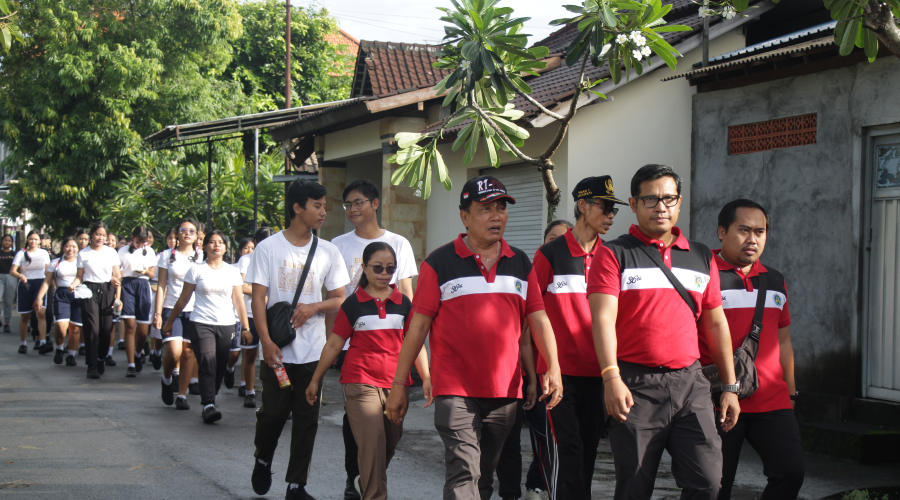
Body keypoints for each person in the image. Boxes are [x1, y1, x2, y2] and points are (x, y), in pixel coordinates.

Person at [385, 175, 564, 500]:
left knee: (482, 476)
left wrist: (552, 366)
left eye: (501, 208)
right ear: (464, 216)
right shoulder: (440, 263)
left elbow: (538, 318)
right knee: (464, 472)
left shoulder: (520, 262)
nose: (496, 216)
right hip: (455, 391)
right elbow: (417, 328)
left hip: (504, 392)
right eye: (485, 209)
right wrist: (400, 384)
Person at [587, 164, 740, 500]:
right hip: (635, 387)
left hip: (691, 386)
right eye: (651, 199)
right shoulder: (613, 254)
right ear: (634, 202)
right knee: (635, 486)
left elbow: (716, 323)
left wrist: (729, 386)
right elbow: (602, 320)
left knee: (708, 482)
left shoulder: (701, 256)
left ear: (680, 203)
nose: (661, 207)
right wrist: (611, 378)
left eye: (669, 199)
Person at [246, 179, 349, 500]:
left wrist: (314, 306)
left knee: (307, 419)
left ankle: (296, 485)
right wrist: (265, 341)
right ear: (297, 207)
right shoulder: (268, 248)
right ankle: (263, 458)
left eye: (324, 206)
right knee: (273, 414)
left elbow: (340, 298)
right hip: (277, 349)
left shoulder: (328, 251)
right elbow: (258, 299)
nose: (323, 212)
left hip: (313, 351)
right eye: (317, 206)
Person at [306, 242, 432, 500]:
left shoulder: (404, 303)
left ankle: (366, 479)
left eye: (390, 268)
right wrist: (315, 380)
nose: (384, 273)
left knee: (389, 442)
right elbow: (333, 343)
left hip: (397, 384)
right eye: (377, 267)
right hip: (359, 381)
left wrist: (427, 377)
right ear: (364, 267)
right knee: (373, 444)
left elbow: (415, 343)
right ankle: (374, 494)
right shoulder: (352, 305)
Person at [701, 199, 804, 499]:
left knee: (790, 472)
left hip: (772, 400)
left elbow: (783, 340)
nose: (753, 239)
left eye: (760, 231)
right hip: (716, 397)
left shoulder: (774, 280)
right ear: (722, 231)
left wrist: (792, 392)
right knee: (715, 485)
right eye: (743, 230)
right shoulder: (702, 275)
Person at [330, 179, 419, 499]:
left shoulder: (399, 243)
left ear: (375, 204)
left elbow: (407, 295)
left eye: (358, 203)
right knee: (359, 419)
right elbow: (336, 298)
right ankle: (356, 477)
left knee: (390, 426)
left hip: (392, 346)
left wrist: (414, 347)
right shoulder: (337, 245)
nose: (352, 210)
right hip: (354, 344)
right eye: (348, 205)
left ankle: (368, 475)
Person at [495, 220, 573, 500]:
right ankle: (526, 489)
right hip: (533, 372)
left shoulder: (579, 276)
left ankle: (536, 484)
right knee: (533, 438)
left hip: (570, 373)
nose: (556, 245)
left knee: (560, 440)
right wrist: (530, 375)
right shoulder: (531, 273)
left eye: (562, 240)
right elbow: (525, 334)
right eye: (551, 239)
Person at [163, 230, 250, 424]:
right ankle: (208, 404)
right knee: (207, 361)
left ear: (226, 247)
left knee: (220, 364)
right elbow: (184, 298)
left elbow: (239, 301)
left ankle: (211, 394)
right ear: (205, 246)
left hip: (226, 324)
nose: (216, 245)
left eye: (220, 242)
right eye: (212, 242)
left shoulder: (232, 271)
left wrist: (246, 328)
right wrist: (170, 321)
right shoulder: (196, 270)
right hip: (201, 322)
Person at [155, 219, 203, 410]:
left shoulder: (201, 256)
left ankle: (182, 395)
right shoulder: (167, 256)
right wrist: (158, 313)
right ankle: (167, 380)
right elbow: (161, 286)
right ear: (177, 233)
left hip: (195, 310)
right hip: (170, 308)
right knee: (174, 352)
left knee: (188, 353)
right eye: (183, 230)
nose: (187, 233)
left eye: (192, 230)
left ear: (196, 235)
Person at [70, 222, 122, 379]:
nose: (100, 238)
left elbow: (117, 277)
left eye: (104, 235)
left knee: (106, 331)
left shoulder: (112, 252)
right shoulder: (83, 253)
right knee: (92, 329)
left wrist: (117, 297)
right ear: (91, 235)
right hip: (88, 291)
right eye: (98, 234)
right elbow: (80, 276)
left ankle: (101, 358)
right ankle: (91, 365)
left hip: (107, 290)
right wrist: (74, 284)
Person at [233, 232, 268, 409]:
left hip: (272, 314)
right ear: (256, 242)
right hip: (251, 313)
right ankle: (249, 391)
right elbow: (243, 286)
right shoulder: (247, 260)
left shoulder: (275, 256)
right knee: (250, 354)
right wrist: (261, 295)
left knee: (276, 355)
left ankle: (277, 394)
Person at [35, 237, 81, 366]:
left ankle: (71, 355)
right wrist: (39, 297)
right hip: (61, 295)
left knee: (75, 328)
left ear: (78, 249)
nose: (70, 249)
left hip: (79, 295)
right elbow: (47, 281)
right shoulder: (56, 262)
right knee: (61, 327)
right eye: (67, 246)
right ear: (62, 247)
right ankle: (60, 349)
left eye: (73, 246)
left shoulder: (82, 262)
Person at [119, 226, 157, 377]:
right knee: (129, 326)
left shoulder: (150, 251)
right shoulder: (122, 251)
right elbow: (118, 270)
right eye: (137, 241)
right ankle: (131, 364)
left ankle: (138, 352)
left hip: (142, 284)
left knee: (142, 332)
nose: (140, 244)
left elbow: (152, 273)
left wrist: (145, 271)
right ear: (132, 238)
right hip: (127, 285)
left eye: (143, 241)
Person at [10, 231, 52, 354]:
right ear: (27, 240)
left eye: (35, 239)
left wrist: (50, 282)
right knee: (25, 316)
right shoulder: (21, 253)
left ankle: (43, 342)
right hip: (25, 284)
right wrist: (21, 276)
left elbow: (48, 270)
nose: (33, 241)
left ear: (40, 241)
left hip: (40, 283)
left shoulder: (44, 253)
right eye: (31, 239)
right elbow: (12, 271)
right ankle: (23, 343)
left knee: (41, 313)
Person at [148, 228, 178, 370]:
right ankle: (157, 351)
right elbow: (160, 282)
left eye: (175, 238)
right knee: (160, 335)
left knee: (184, 349)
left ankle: (178, 375)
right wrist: (158, 312)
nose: (173, 241)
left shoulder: (196, 256)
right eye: (170, 238)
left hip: (186, 304)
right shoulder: (163, 256)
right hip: (164, 299)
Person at [73, 228, 90, 355]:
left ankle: (83, 344)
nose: (83, 241)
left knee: (84, 318)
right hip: (72, 287)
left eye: (85, 239)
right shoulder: (72, 251)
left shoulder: (89, 253)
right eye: (80, 239)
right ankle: (73, 344)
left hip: (86, 288)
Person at [0, 234, 17, 333]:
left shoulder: (14, 254)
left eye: (9, 240)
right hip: (0, 276)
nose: (7, 242)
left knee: (8, 301)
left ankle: (7, 323)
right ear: (2, 241)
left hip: (11, 277)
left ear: (11, 243)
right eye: (5, 240)